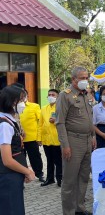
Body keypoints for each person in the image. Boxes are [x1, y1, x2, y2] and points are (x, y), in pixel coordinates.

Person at [56, 66, 97, 215]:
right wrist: (65, 146)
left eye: (87, 78)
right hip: (73, 141)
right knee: (69, 180)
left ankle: (80, 208)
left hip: (87, 141)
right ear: (73, 79)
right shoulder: (64, 95)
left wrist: (93, 136)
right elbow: (60, 123)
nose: (85, 81)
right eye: (82, 78)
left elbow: (89, 118)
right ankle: (68, 211)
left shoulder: (85, 95)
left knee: (84, 177)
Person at [0, 86, 35, 214]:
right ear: (12, 102)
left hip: (13, 174)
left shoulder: (10, 120)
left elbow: (16, 150)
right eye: (21, 100)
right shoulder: (4, 125)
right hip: (7, 177)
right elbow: (7, 160)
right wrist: (28, 172)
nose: (24, 103)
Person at [19, 89, 45, 182]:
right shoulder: (14, 107)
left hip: (31, 138)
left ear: (27, 96)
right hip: (18, 139)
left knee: (35, 157)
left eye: (23, 95)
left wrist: (39, 137)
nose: (21, 97)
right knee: (20, 159)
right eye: (19, 95)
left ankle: (39, 174)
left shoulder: (34, 106)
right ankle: (22, 177)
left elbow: (40, 122)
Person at [37, 89, 62, 187]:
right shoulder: (43, 109)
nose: (51, 96)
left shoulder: (61, 108)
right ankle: (50, 178)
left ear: (58, 96)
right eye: (49, 95)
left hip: (57, 139)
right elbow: (40, 124)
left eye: (53, 95)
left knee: (58, 161)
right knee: (49, 160)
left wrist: (57, 120)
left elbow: (66, 121)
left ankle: (60, 179)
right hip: (46, 139)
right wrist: (39, 138)